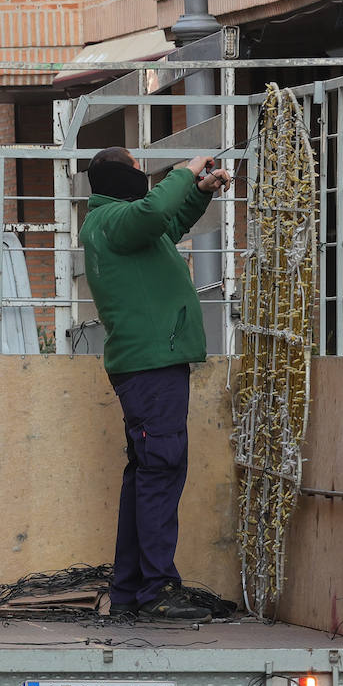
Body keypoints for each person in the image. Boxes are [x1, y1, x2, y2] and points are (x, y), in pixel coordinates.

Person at [79, 147, 231, 622]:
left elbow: (168, 222)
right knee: (161, 472)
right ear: (117, 177)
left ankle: (130, 588)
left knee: (146, 475)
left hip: (150, 365)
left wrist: (198, 193)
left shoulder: (124, 226)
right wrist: (186, 171)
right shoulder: (112, 220)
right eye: (136, 170)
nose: (144, 177)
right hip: (150, 366)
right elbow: (155, 210)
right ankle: (158, 588)